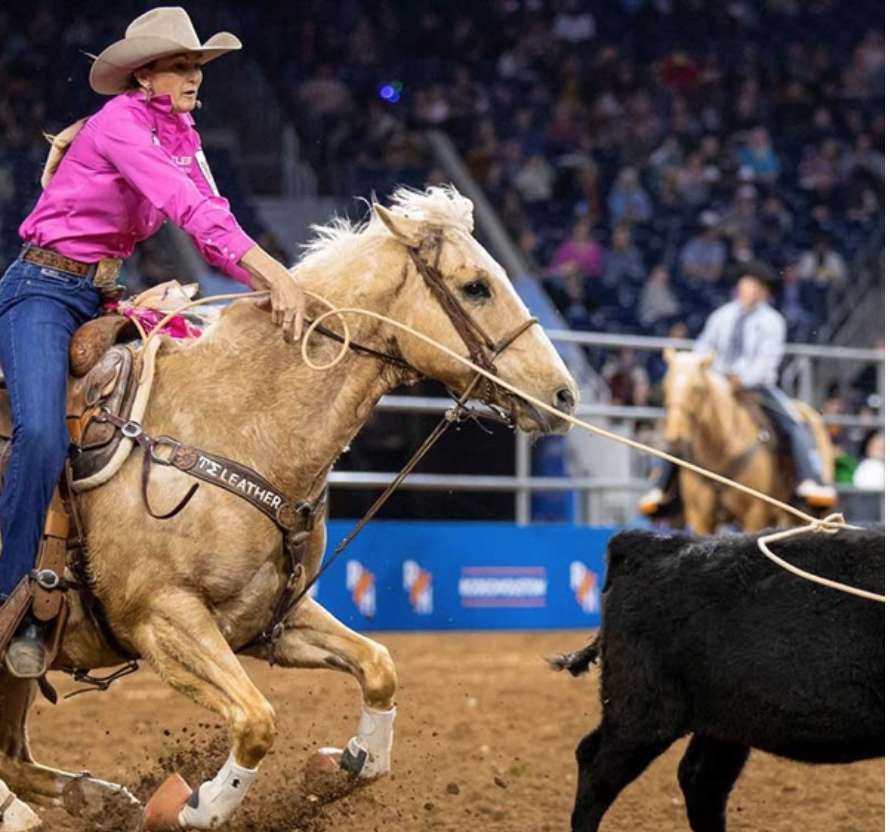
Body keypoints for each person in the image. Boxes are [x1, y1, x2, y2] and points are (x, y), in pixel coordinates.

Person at [0, 7, 304, 679]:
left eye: (197, 65)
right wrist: (275, 276)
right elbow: (184, 206)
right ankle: (13, 598)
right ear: (145, 75)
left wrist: (259, 276)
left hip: (101, 293)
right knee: (44, 435)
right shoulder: (120, 125)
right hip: (42, 289)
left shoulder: (183, 135)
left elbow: (210, 216)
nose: (194, 75)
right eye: (180, 65)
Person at [639, 260, 837, 516]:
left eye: (754, 285)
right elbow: (703, 347)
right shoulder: (722, 316)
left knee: (792, 421)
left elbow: (767, 361)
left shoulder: (771, 321)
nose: (748, 289)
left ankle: (809, 480)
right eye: (745, 283)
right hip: (717, 385)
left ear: (764, 291)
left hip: (756, 387)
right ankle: (662, 486)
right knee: (683, 420)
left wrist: (742, 379)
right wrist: (699, 366)